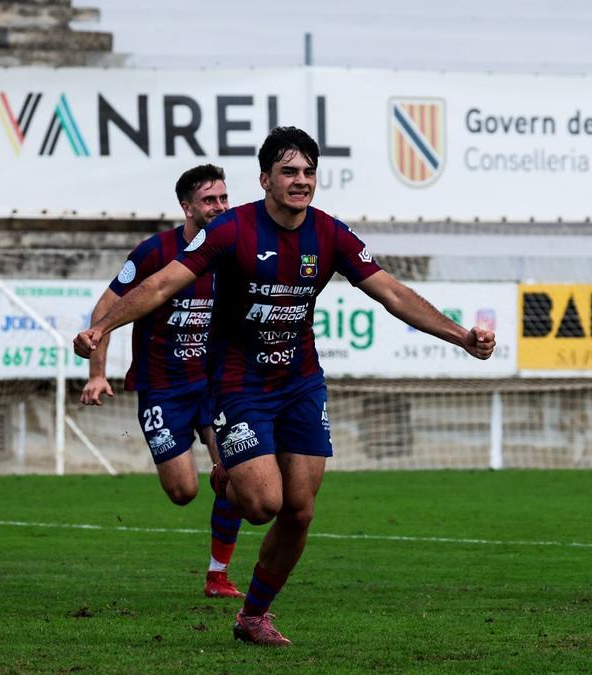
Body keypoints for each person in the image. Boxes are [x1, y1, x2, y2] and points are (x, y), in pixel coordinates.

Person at [74, 127, 496, 646]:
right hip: (237, 382)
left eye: (308, 172)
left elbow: (391, 292)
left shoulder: (331, 234)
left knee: (300, 510)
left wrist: (460, 336)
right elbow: (161, 283)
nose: (301, 182)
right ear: (266, 180)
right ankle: (231, 471)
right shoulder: (231, 229)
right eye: (289, 172)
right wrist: (105, 327)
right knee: (263, 505)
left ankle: (253, 616)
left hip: (300, 382)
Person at [80, 164, 244, 599]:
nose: (220, 207)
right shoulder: (154, 252)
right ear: (186, 206)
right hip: (163, 389)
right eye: (210, 200)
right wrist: (97, 373)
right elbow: (104, 309)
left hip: (214, 385)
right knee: (183, 492)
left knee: (236, 478)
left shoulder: (233, 251)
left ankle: (217, 575)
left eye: (224, 198)